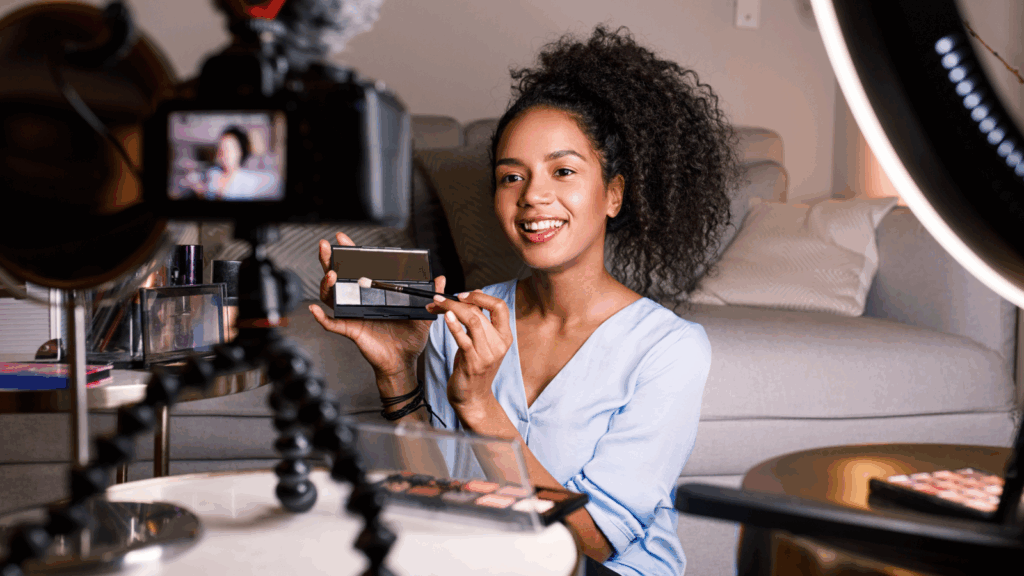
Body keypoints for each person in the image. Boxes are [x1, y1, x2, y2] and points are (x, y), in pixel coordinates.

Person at [310, 25, 735, 576]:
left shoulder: (669, 349)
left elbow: (595, 540)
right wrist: (396, 375)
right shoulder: (464, 321)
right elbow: (437, 495)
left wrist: (480, 405)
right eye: (512, 177)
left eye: (563, 171)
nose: (533, 195)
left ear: (613, 193)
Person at [182, 126, 280, 200]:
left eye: (229, 149)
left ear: (240, 151)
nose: (224, 154)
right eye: (221, 149)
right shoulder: (212, 173)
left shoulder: (249, 181)